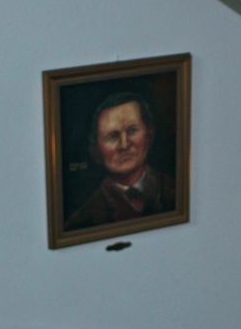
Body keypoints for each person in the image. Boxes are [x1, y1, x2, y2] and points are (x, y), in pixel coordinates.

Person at [65, 90, 175, 230]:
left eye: (132, 130)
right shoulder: (84, 218)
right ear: (95, 150)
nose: (124, 145)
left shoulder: (176, 190)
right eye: (113, 136)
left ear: (149, 133)